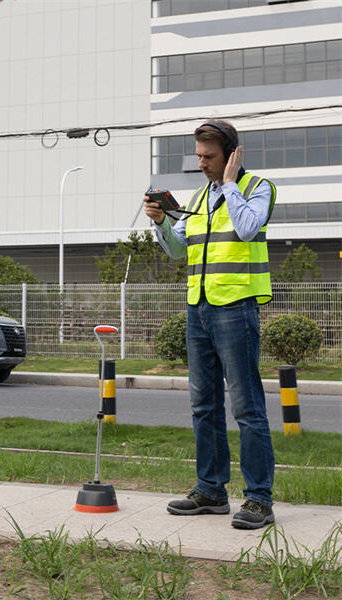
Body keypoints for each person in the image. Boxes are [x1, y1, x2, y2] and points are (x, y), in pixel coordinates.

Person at [143, 120, 277, 530]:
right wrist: (162, 221)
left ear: (232, 154)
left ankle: (259, 500)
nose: (200, 164)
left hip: (236, 308)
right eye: (198, 156)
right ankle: (211, 491)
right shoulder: (199, 197)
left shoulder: (258, 188)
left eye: (209, 157)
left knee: (247, 407)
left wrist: (232, 183)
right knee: (203, 406)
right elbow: (179, 250)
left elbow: (247, 226)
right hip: (198, 309)